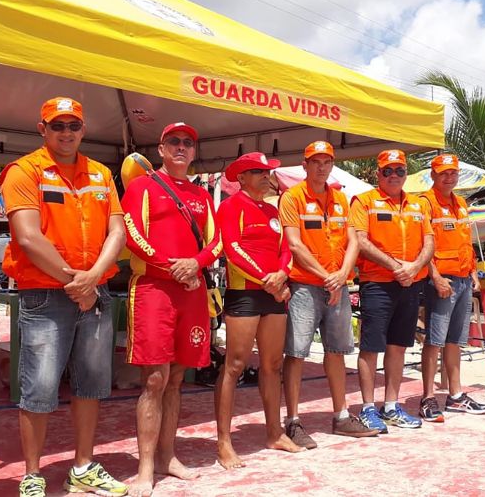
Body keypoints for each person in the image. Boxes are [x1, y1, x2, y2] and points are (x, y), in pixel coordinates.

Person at [1, 97, 127, 497]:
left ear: (83, 130)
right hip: (45, 294)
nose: (66, 132)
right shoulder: (25, 171)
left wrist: (90, 282)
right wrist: (79, 283)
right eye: (58, 126)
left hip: (95, 292)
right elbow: (27, 236)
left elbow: (117, 232)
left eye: (73, 125)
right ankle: (32, 475)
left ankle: (83, 466)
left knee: (91, 384)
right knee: (38, 387)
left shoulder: (101, 173)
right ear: (42, 129)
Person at [121, 122, 221, 496]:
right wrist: (174, 266)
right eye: (174, 142)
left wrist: (195, 264)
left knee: (178, 379)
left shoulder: (202, 195)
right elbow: (133, 235)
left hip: (191, 289)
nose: (181, 147)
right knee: (154, 379)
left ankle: (167, 457)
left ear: (194, 153)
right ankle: (145, 466)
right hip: (153, 289)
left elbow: (216, 241)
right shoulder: (142, 187)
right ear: (161, 149)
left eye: (188, 143)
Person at [278, 141, 378, 449]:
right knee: (295, 354)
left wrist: (341, 277)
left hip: (337, 286)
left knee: (337, 351)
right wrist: (328, 278)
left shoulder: (341, 200)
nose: (321, 167)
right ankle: (293, 421)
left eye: (326, 161)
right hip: (305, 286)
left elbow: (353, 242)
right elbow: (294, 244)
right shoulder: (292, 198)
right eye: (315, 161)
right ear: (305, 165)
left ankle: (341, 415)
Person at [214, 152, 304, 469]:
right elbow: (232, 247)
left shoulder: (271, 209)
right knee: (235, 365)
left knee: (272, 365)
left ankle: (274, 432)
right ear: (241, 178)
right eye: (259, 172)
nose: (267, 176)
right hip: (246, 294)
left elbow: (285, 249)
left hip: (273, 293)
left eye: (268, 172)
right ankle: (224, 441)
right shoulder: (231, 206)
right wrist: (269, 280)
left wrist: (281, 276)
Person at [350, 149, 434, 432]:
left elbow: (429, 243)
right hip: (377, 283)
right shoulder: (364, 201)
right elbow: (360, 241)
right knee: (371, 347)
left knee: (398, 346)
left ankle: (390, 406)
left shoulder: (419, 205)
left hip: (410, 283)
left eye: (400, 170)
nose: (394, 175)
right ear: (379, 174)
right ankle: (367, 408)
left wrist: (413, 268)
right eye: (388, 170)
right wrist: (397, 266)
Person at [417, 155, 485, 423]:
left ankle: (456, 396)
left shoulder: (460, 203)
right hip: (442, 281)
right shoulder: (425, 203)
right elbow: (423, 246)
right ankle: (427, 397)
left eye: (453, 173)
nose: (449, 177)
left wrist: (473, 272)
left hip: (463, 280)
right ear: (433, 175)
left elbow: (464, 241)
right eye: (443, 173)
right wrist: (435, 277)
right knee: (434, 340)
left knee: (456, 340)